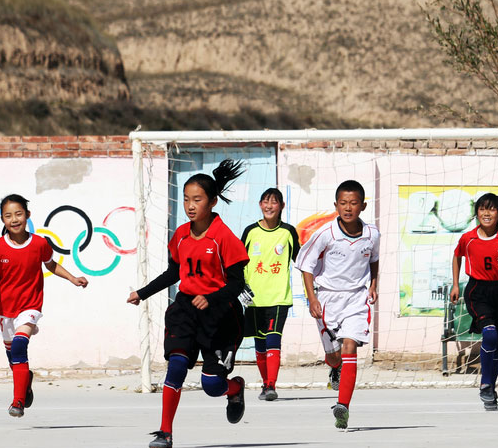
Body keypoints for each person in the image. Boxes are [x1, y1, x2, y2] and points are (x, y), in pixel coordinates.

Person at [128, 159, 249, 448]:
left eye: (197, 199)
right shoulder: (181, 234)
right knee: (176, 366)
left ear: (212, 201)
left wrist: (211, 298)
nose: (190, 205)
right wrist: (143, 293)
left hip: (220, 316)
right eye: (186, 199)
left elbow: (236, 284)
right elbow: (174, 272)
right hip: (185, 310)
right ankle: (165, 432)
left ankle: (234, 388)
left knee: (211, 386)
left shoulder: (224, 237)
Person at [0, 194, 89, 418]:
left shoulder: (40, 243)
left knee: (21, 347)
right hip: (6, 311)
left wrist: (72, 278)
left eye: (18, 214)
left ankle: (18, 401)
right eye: (8, 216)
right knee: (13, 356)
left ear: (28, 216)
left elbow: (51, 265)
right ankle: (26, 382)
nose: (14, 219)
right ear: (2, 219)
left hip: (30, 306)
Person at [296, 179, 379, 429]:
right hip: (327, 298)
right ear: (336, 205)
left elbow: (373, 259)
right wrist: (312, 298)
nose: (348, 207)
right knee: (333, 356)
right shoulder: (325, 234)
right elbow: (307, 267)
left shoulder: (372, 234)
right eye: (343, 203)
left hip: (356, 297)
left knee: (350, 346)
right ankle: (335, 367)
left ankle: (343, 406)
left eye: (353, 203)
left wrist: (373, 284)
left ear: (362, 206)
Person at [449, 192, 498, 411]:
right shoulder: (468, 238)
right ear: (477, 213)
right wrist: (455, 284)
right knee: (489, 333)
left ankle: (490, 388)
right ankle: (485, 383)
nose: (486, 213)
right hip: (478, 290)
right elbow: (457, 256)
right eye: (482, 208)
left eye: (491, 209)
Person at [241, 187, 299, 401]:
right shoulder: (250, 232)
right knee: (259, 343)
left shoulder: (288, 232)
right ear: (260, 205)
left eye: (274, 202)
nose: (269, 205)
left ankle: (271, 385)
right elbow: (238, 261)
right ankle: (265, 384)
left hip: (278, 298)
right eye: (265, 201)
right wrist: (239, 286)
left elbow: (301, 260)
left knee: (273, 339)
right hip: (254, 299)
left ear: (282, 206)